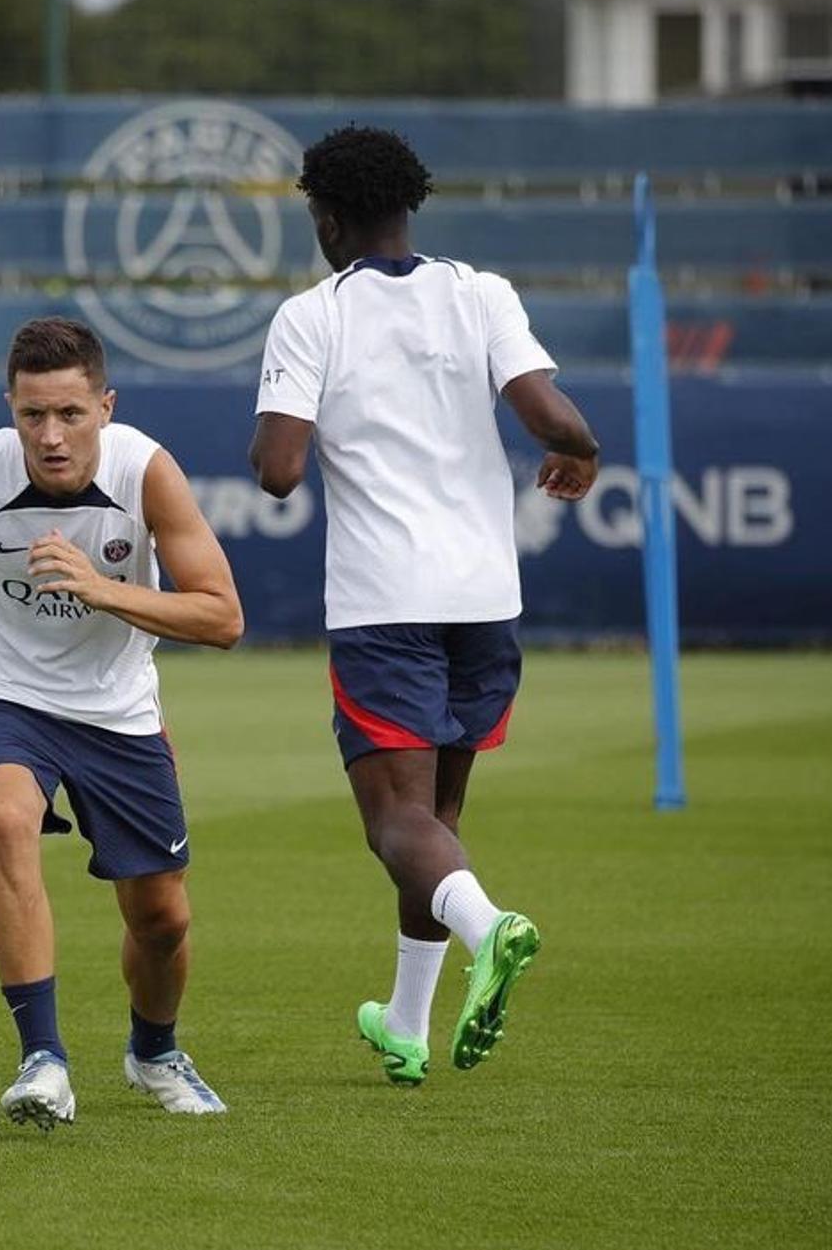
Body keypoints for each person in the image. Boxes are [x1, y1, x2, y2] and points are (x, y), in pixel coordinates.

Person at [249, 125, 600, 1087]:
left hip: (385, 601)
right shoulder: (480, 292)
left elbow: (277, 473)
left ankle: (492, 929)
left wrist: (289, 431)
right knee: (436, 818)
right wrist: (584, 451)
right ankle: (405, 1022)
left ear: (325, 216)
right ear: (411, 204)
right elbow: (551, 417)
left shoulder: (312, 315)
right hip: (485, 595)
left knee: (393, 824)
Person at [0, 317, 244, 1126]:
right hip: (1, 689)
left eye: (70, 413)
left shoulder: (147, 474)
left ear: (106, 405)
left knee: (162, 917)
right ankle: (44, 1059)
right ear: (11, 408)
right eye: (33, 415)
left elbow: (223, 616)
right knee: (5, 817)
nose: (51, 435)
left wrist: (102, 590)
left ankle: (154, 1052)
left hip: (116, 706)